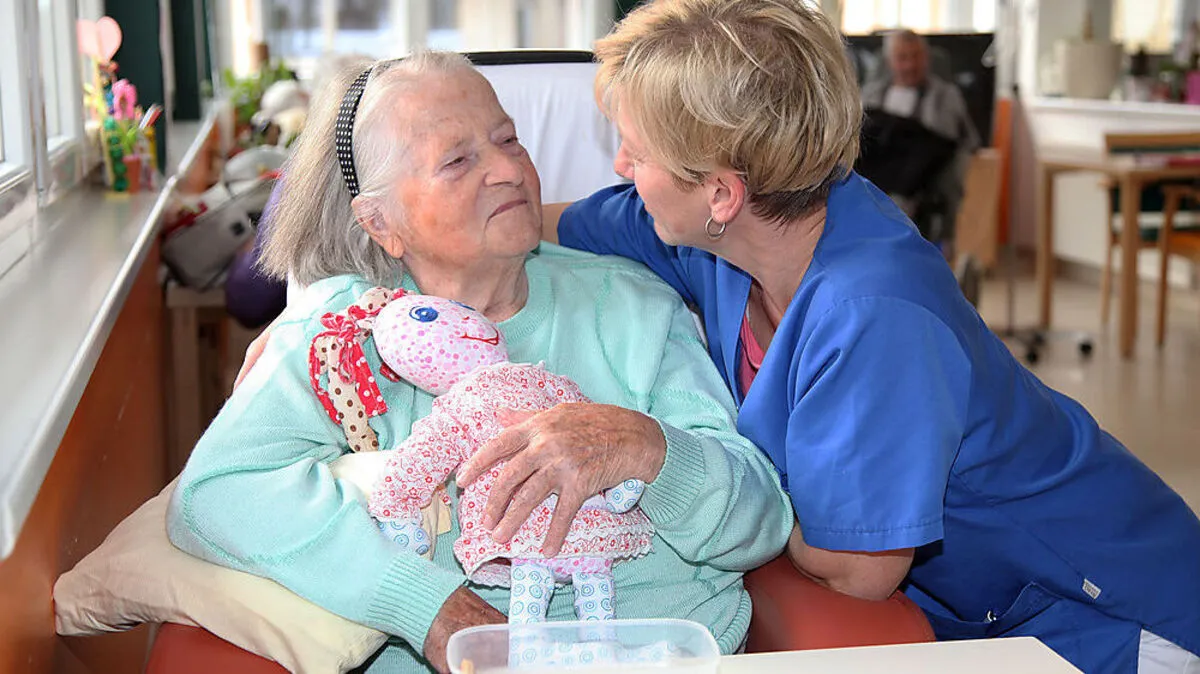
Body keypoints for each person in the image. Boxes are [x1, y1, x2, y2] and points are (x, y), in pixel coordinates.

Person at [529, 2, 1196, 673]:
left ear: (721, 194)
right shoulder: (735, 233)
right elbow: (570, 224)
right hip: (987, 608)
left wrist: (705, 487)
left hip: (1106, 615)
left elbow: (855, 568)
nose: (620, 165)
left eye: (637, 152)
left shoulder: (873, 314)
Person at [168, 51, 794, 674]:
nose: (508, 170)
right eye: (457, 160)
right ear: (381, 222)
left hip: (665, 656)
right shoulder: (345, 337)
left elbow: (760, 520)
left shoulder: (632, 304)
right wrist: (426, 607)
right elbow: (216, 493)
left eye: (509, 140)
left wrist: (647, 449)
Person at [860, 29, 980, 244]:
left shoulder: (946, 96)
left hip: (920, 182)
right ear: (890, 61)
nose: (909, 65)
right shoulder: (869, 95)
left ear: (926, 59)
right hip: (874, 178)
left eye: (915, 56)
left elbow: (949, 143)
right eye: (902, 58)